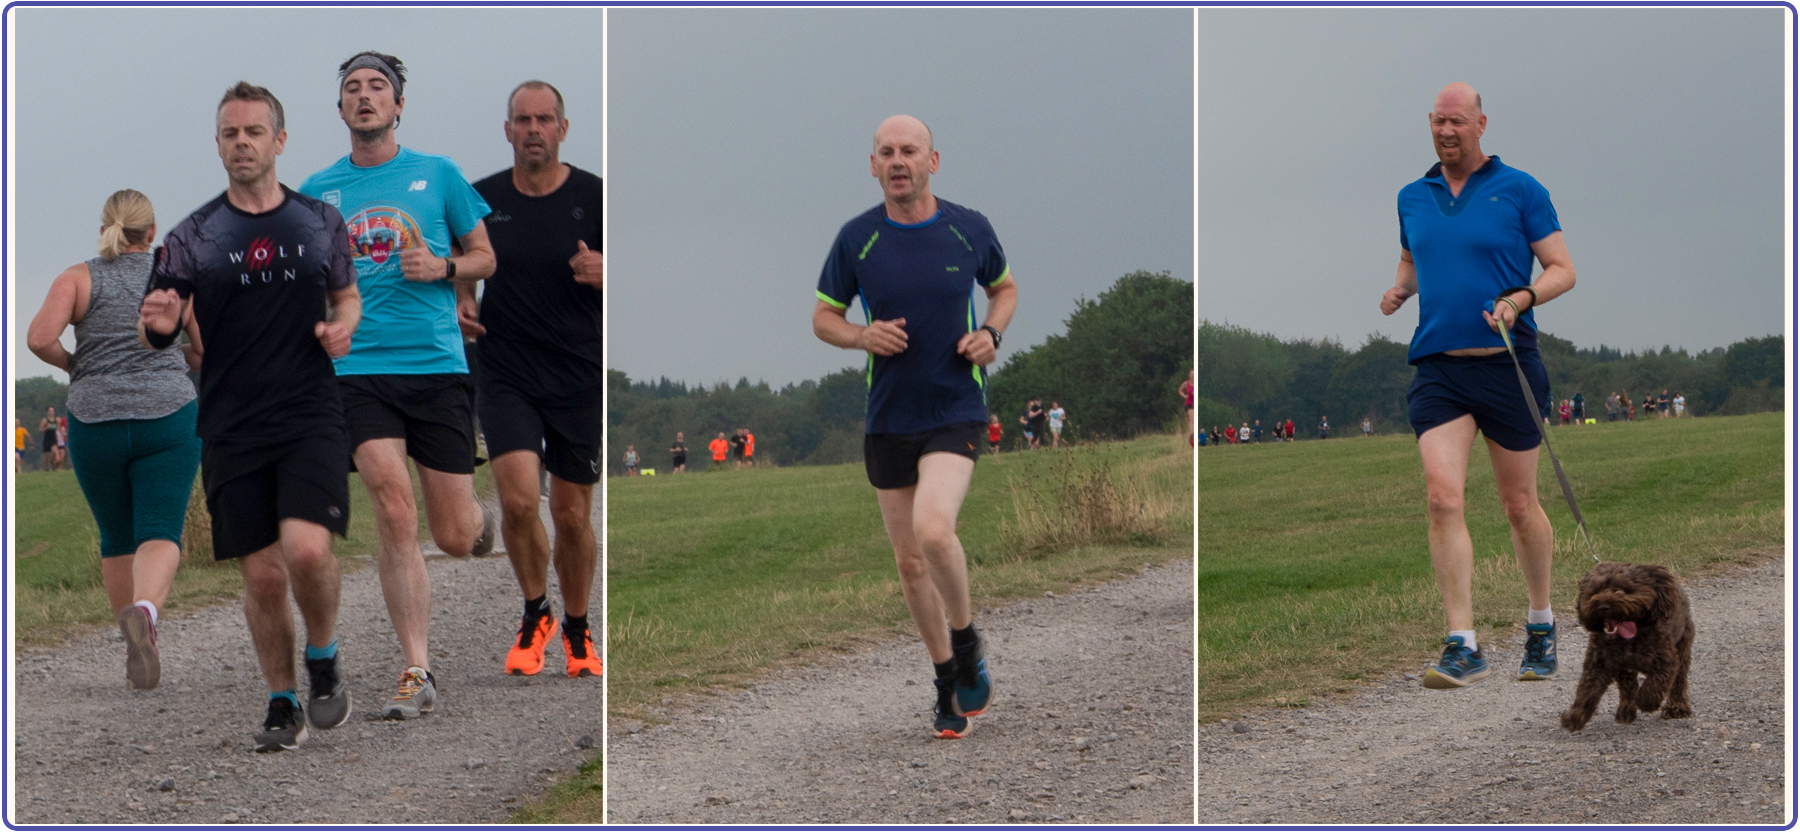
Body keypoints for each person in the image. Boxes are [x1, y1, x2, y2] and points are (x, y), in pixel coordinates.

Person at [138, 81, 361, 750]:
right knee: (263, 574)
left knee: (308, 549)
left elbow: (346, 298)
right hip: (232, 421)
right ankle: (281, 700)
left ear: (279, 141)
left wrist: (342, 328)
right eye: (230, 133)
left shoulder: (319, 222)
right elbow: (158, 323)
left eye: (254, 132)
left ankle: (322, 655)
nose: (242, 142)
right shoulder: (191, 236)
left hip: (310, 412)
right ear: (217, 145)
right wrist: (161, 326)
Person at [298, 52, 500, 719]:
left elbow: (485, 258)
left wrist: (443, 266)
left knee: (451, 534)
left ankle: (479, 522)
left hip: (436, 366)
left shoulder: (437, 174)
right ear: (339, 110)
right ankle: (418, 666)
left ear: (399, 105)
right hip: (358, 370)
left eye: (377, 88)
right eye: (352, 89)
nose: (364, 98)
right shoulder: (317, 190)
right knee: (391, 507)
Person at [811, 114, 1014, 739]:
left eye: (910, 151)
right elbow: (824, 317)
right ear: (872, 165)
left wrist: (991, 334)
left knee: (933, 529)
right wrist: (860, 335)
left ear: (933, 161)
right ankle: (947, 680)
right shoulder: (857, 240)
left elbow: (1003, 289)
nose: (899, 162)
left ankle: (967, 637)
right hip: (889, 417)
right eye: (887, 153)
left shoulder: (968, 228)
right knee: (909, 563)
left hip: (955, 407)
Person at [1379, 82, 1576, 689]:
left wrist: (1521, 298)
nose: (1446, 132)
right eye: (1438, 122)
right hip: (1438, 367)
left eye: (1457, 122)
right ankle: (1462, 642)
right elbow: (1415, 260)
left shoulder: (1521, 189)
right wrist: (1399, 289)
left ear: (1481, 124)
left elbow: (1563, 271)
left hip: (1506, 362)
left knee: (1519, 505)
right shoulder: (1413, 196)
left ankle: (1540, 626)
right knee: (1442, 498)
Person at [28, 189, 204, 691]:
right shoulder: (176, 283)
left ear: (103, 227)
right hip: (167, 417)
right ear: (152, 233)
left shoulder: (78, 277)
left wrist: (74, 364)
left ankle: (134, 647)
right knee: (160, 530)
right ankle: (146, 611)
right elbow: (203, 352)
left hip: (95, 421)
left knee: (116, 536)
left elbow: (40, 338)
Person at [468, 80, 603, 679]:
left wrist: (610, 269)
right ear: (507, 130)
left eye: (544, 119)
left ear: (562, 129)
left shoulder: (596, 197)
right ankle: (534, 612)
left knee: (571, 513)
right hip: (505, 368)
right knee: (520, 500)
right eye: (522, 120)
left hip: (578, 369)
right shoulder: (481, 199)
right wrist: (463, 299)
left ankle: (577, 628)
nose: (532, 130)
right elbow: (461, 260)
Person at [39, 407, 58, 471]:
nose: (52, 412)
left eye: (53, 410)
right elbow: (41, 429)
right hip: (47, 439)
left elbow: (58, 429)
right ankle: (46, 469)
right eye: (50, 411)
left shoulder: (56, 420)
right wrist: (47, 427)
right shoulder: (44, 420)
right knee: (46, 457)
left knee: (54, 452)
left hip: (53, 439)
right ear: (48, 412)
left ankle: (52, 462)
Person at [1180, 370, 1195, 445]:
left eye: (1194, 374)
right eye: (1191, 374)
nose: (1193, 375)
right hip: (1189, 403)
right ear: (1189, 375)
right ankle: (1192, 433)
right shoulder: (1186, 383)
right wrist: (1184, 396)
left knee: (1193, 420)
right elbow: (1180, 390)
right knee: (1192, 419)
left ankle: (1192, 433)